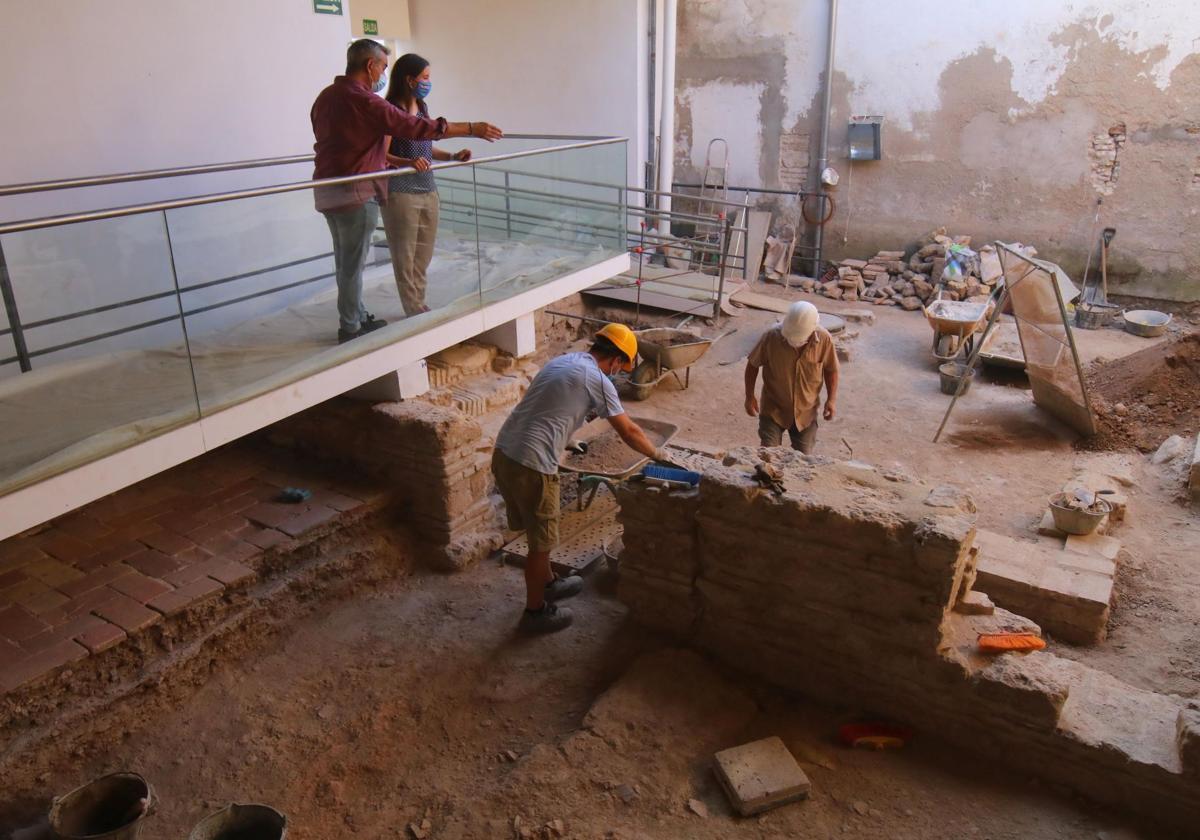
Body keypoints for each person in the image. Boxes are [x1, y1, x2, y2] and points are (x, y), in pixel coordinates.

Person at [310, 39, 503, 344]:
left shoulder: (325, 98)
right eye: (382, 67)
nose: (382, 73)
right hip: (356, 191)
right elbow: (412, 128)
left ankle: (356, 316)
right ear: (370, 66)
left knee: (347, 261)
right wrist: (471, 128)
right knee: (353, 262)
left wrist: (451, 155)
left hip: (326, 189)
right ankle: (350, 326)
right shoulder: (367, 102)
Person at [492, 324, 673, 634]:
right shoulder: (599, 380)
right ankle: (535, 612)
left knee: (540, 534)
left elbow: (546, 409)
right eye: (622, 366)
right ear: (616, 359)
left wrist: (566, 439)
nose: (619, 372)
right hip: (533, 466)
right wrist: (656, 454)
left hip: (505, 453)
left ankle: (548, 582)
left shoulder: (563, 361)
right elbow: (629, 430)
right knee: (542, 542)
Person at [380, 54, 469, 317]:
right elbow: (382, 154)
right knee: (404, 253)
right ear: (410, 79)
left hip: (428, 188)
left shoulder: (423, 108)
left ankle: (419, 300)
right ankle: (413, 307)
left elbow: (427, 148)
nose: (428, 82)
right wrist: (408, 161)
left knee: (423, 252)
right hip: (401, 191)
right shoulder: (389, 111)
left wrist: (453, 156)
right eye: (425, 78)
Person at [744, 300, 839, 453]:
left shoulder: (824, 340)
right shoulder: (771, 337)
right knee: (768, 456)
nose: (795, 342)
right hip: (773, 409)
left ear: (812, 329)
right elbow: (752, 365)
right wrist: (749, 396)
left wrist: (831, 399)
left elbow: (831, 370)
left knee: (803, 459)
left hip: (806, 412)